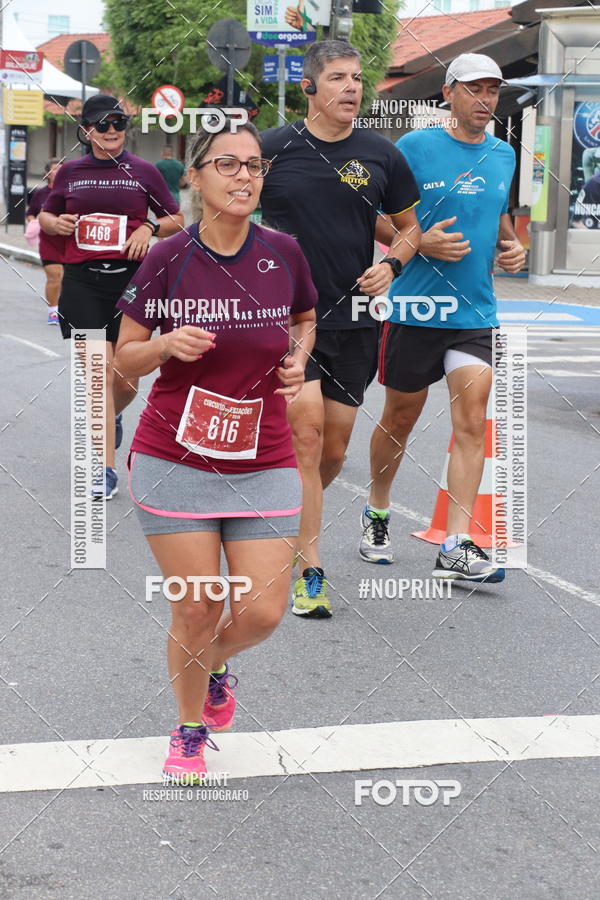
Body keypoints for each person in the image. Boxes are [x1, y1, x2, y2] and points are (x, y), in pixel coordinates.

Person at [113, 121, 317, 782]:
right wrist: (165, 345)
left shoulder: (284, 252)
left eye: (254, 165)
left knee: (262, 611)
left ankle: (214, 663)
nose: (244, 176)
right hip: (176, 460)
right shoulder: (167, 258)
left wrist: (299, 357)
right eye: (227, 164)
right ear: (196, 177)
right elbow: (125, 357)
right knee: (197, 606)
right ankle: (189, 727)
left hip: (264, 457)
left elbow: (304, 317)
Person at [260, 39, 421, 618]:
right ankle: (310, 571)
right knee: (305, 441)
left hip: (354, 320)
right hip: (289, 318)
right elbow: (226, 210)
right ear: (309, 86)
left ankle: (284, 517)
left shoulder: (381, 154)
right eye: (337, 78)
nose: (351, 87)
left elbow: (409, 229)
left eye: (356, 78)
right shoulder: (271, 148)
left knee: (332, 451)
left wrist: (391, 264)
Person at [363, 53, 525, 581]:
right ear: (448, 93)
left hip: (475, 310)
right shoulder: (414, 147)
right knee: (400, 418)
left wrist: (512, 247)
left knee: (472, 420)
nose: (485, 99)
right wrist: (420, 243)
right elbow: (375, 215)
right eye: (474, 89)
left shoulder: (503, 154)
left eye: (493, 90)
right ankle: (377, 510)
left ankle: (455, 543)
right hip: (418, 307)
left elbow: (498, 213)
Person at [39, 94, 183, 499]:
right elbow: (46, 214)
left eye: (119, 122)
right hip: (82, 283)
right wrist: (56, 222)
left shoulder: (144, 171)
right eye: (102, 124)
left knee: (126, 379)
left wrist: (149, 228)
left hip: (132, 284)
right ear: (86, 131)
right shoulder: (70, 172)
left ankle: (111, 416)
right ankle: (104, 469)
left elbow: (176, 217)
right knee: (99, 374)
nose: (112, 130)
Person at [26, 158, 63, 325]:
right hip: (48, 242)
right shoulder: (40, 193)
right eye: (55, 169)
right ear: (47, 173)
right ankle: (53, 312)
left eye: (61, 169)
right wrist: (34, 223)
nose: (58, 172)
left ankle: (65, 308)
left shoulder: (71, 191)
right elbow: (31, 213)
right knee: (54, 277)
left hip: (69, 242)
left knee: (67, 279)